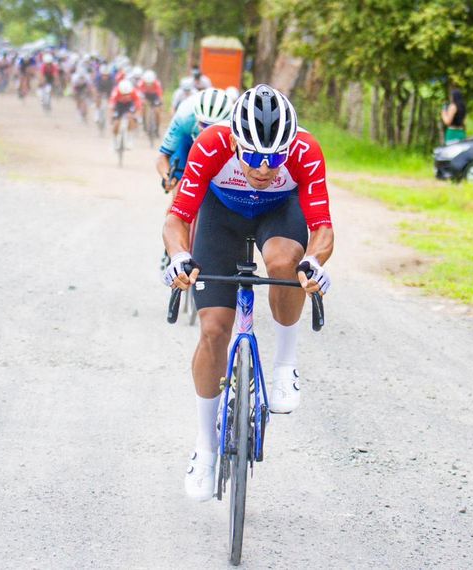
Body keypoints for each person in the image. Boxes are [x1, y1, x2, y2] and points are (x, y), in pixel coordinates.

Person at [161, 85, 334, 501]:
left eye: (275, 158)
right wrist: (179, 255)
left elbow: (323, 227)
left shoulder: (306, 150)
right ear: (235, 141)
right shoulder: (210, 143)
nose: (264, 167)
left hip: (278, 215)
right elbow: (178, 217)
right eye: (254, 157)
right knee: (214, 331)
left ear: (289, 148)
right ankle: (204, 450)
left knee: (283, 263)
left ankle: (285, 366)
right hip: (222, 217)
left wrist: (314, 263)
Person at [156, 87, 233, 194]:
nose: (208, 131)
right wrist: (167, 177)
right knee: (180, 194)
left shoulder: (234, 123)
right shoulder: (184, 117)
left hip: (220, 148)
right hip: (187, 140)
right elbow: (163, 155)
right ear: (196, 117)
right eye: (204, 125)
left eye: (214, 126)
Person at [108, 78, 142, 149]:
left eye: (127, 94)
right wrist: (111, 115)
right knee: (116, 122)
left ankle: (129, 138)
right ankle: (114, 140)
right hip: (119, 105)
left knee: (131, 118)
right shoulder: (116, 91)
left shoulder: (133, 91)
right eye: (123, 94)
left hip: (129, 104)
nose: (126, 96)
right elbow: (112, 104)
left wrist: (136, 115)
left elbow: (138, 103)